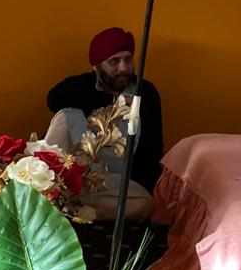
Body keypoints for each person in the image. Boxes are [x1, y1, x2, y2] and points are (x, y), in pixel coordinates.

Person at [45, 27, 164, 215]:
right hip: (77, 176)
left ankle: (70, 207)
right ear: (97, 66)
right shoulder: (80, 86)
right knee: (67, 114)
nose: (123, 68)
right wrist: (114, 102)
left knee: (144, 205)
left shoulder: (145, 92)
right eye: (114, 61)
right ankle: (59, 199)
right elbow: (53, 98)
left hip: (116, 182)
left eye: (127, 59)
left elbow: (154, 150)